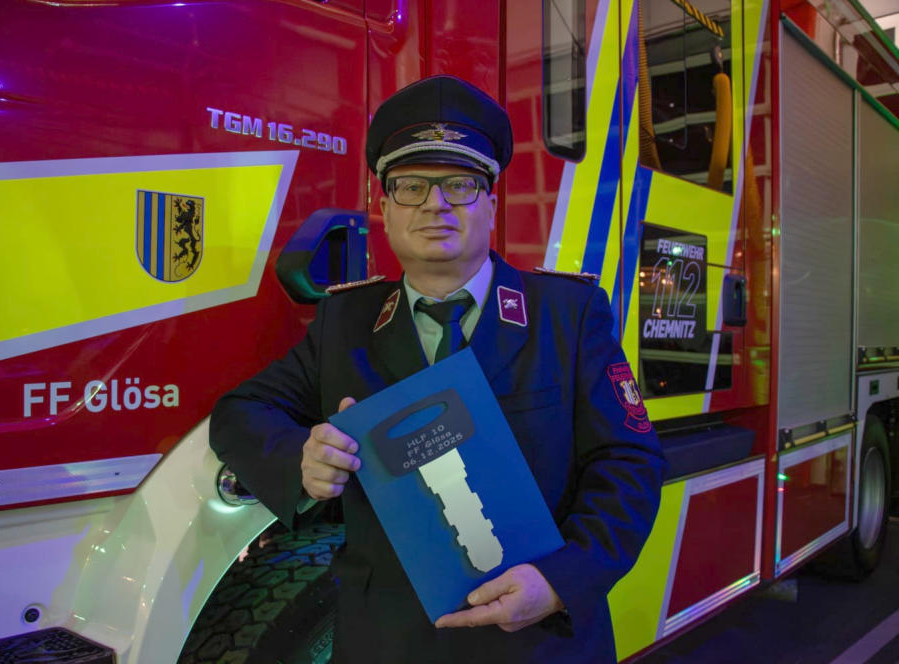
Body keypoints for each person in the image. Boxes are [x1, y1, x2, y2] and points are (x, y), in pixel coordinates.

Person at [210, 75, 665, 663]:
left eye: (460, 184)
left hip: (539, 640)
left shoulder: (568, 314)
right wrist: (301, 460)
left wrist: (562, 581)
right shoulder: (345, 321)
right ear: (384, 207)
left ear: (491, 203)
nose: (435, 204)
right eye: (411, 186)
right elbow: (240, 412)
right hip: (387, 642)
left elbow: (629, 462)